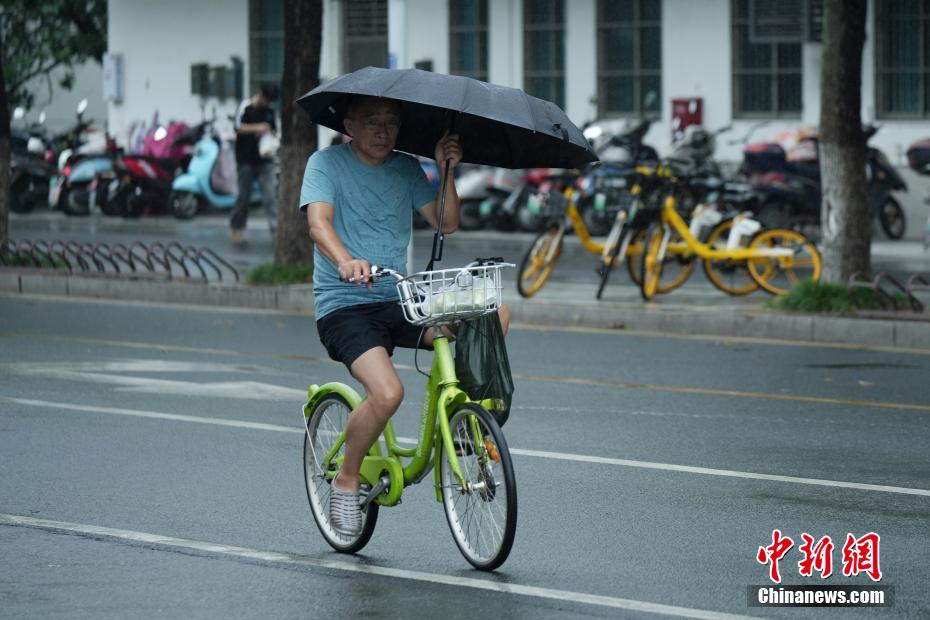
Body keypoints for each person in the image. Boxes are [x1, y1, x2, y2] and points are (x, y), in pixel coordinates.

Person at [300, 95, 510, 536]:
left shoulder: (405, 168)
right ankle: (347, 479)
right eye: (372, 121)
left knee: (491, 314)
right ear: (349, 125)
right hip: (345, 304)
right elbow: (319, 223)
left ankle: (461, 420)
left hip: (399, 299)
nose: (383, 131)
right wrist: (345, 259)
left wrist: (447, 169)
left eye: (391, 123)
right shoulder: (325, 164)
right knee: (388, 393)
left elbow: (447, 222)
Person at [230, 83, 279, 245]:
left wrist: (269, 133)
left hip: (265, 160)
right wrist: (257, 128)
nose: (268, 104)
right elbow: (237, 127)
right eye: (267, 100)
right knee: (244, 196)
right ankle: (237, 228)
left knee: (270, 196)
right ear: (260, 95)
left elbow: (275, 131)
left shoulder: (270, 110)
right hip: (246, 159)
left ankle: (276, 230)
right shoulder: (246, 106)